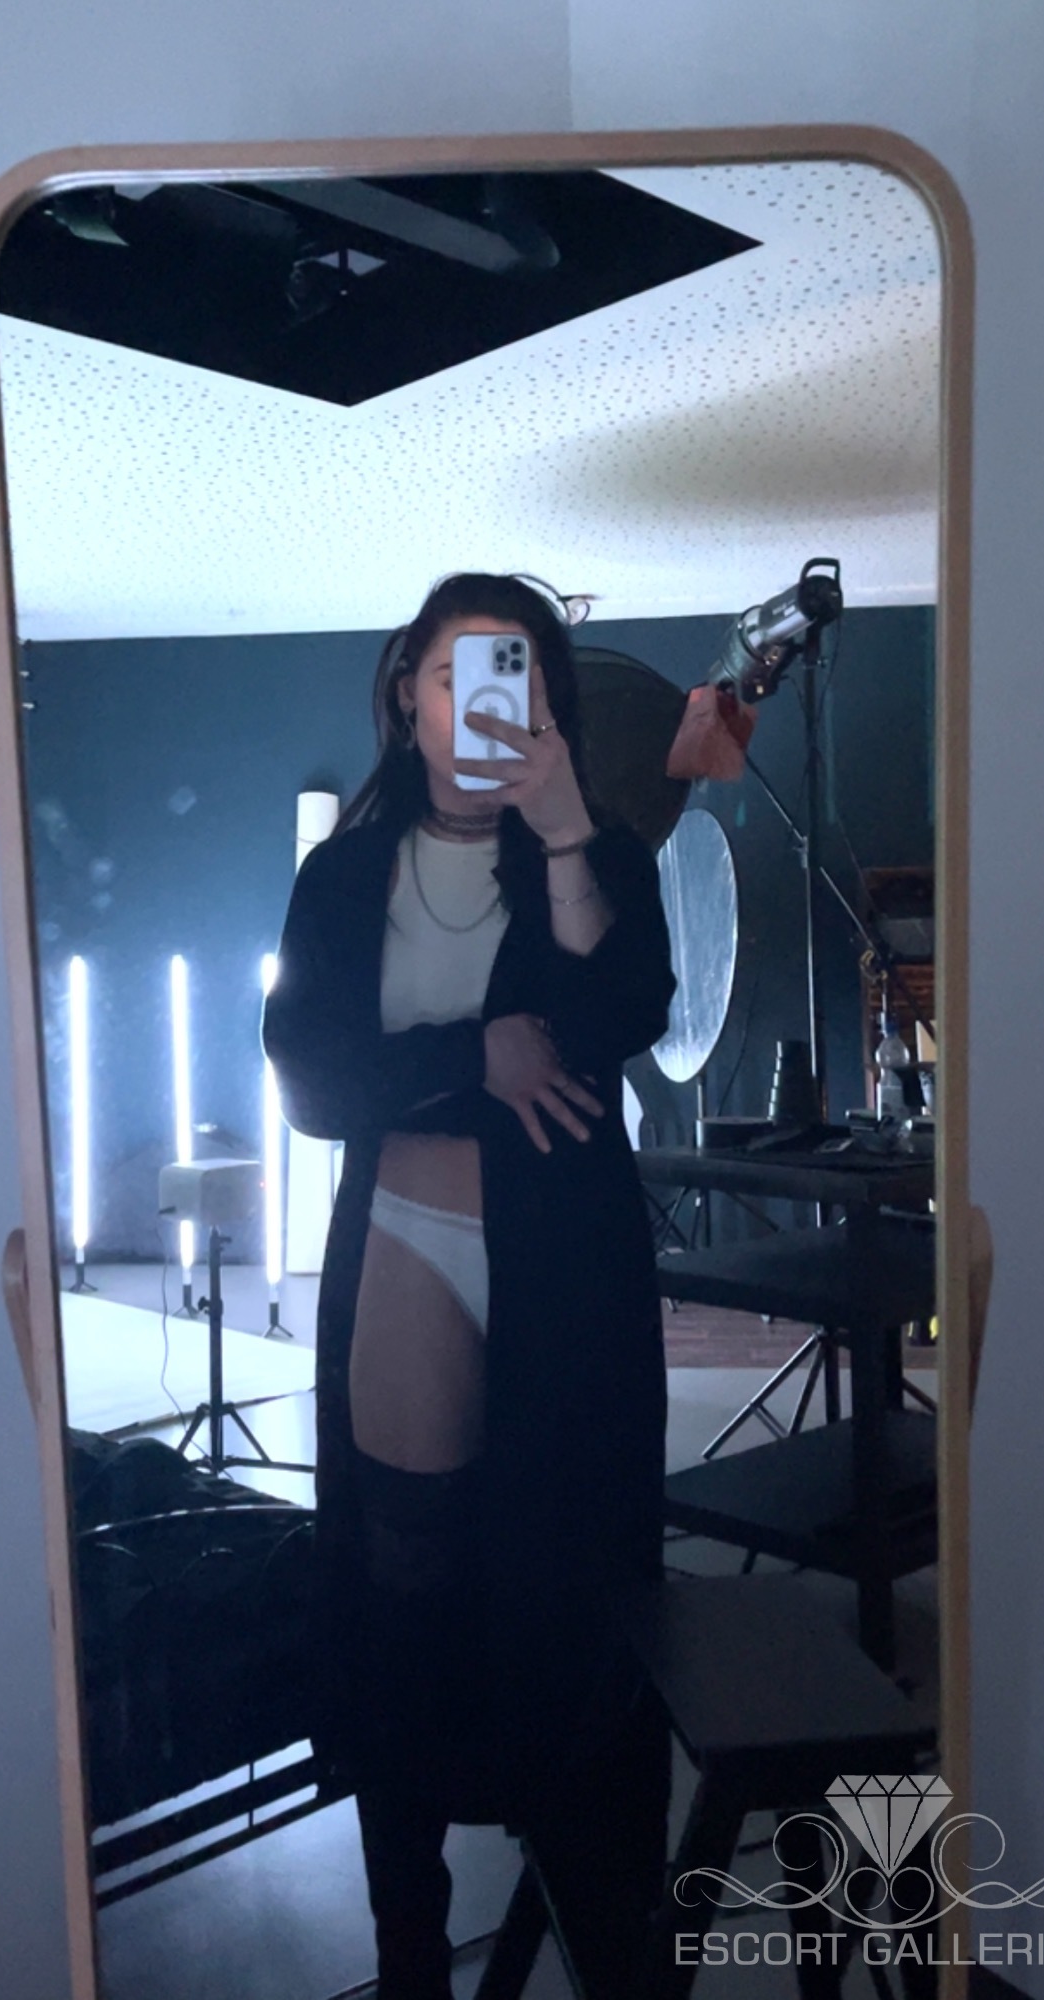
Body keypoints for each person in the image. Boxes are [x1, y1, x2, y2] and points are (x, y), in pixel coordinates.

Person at [262, 574, 676, 1998]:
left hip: (569, 1268)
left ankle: (600, 1916)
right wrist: (476, 1059)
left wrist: (564, 835)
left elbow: (621, 1017)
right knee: (404, 1588)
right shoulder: (340, 877)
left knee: (572, 1577)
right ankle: (409, 1940)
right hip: (406, 1247)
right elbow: (313, 1081)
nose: (491, 703)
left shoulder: (594, 851)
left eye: (522, 679)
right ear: (408, 698)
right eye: (459, 675)